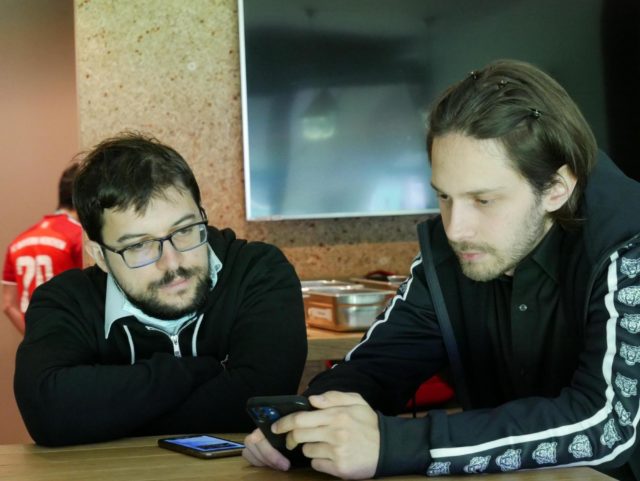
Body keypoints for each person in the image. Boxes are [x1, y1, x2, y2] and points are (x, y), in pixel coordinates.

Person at [243, 59, 640, 480]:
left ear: (557, 189)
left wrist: (396, 444)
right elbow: (379, 366)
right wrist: (309, 423)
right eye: (444, 197)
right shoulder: (453, 248)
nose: (455, 228)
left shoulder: (628, 244)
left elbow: (606, 425)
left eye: (483, 200)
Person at [13, 133, 307, 446]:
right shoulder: (64, 301)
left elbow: (257, 403)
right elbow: (48, 413)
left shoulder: (257, 271)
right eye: (139, 245)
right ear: (100, 256)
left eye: (184, 230)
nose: (172, 263)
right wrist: (200, 370)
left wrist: (105, 414)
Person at [2, 163, 83, 335]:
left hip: (37, 341)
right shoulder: (79, 237)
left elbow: (8, 305)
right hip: (73, 336)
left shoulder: (18, 242)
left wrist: (35, 338)